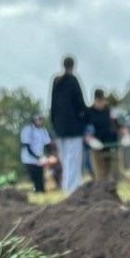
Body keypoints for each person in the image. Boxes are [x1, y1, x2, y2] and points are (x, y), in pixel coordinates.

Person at [49, 56, 87, 194]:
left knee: (65, 160)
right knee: (74, 159)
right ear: (73, 66)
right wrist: (85, 120)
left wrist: (54, 125)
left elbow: (52, 105)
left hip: (60, 128)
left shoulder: (56, 82)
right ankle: (73, 188)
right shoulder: (72, 81)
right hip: (73, 128)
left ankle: (67, 186)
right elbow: (79, 103)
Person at [85, 89, 121, 183]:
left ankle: (114, 181)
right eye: (99, 101)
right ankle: (100, 183)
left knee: (114, 169)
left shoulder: (110, 110)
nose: (101, 103)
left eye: (102, 100)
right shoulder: (89, 112)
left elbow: (117, 124)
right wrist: (90, 140)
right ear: (95, 100)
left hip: (111, 143)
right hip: (97, 145)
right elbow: (86, 131)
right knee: (100, 171)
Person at [20, 114, 52, 193]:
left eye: (41, 120)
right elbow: (27, 146)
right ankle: (36, 191)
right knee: (35, 178)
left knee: (40, 178)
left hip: (39, 159)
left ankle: (41, 192)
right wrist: (36, 157)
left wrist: (47, 155)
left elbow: (47, 144)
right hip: (29, 159)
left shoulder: (43, 130)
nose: (39, 122)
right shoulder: (27, 130)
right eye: (38, 120)